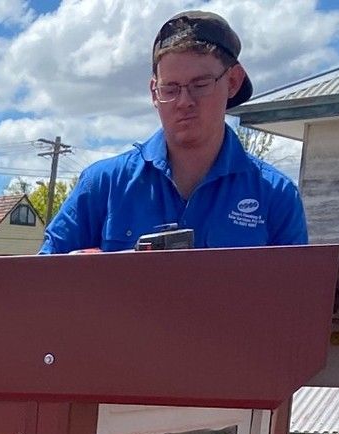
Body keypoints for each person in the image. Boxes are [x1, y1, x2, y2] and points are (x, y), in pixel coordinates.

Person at [40, 11, 307, 253]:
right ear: (153, 93)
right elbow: (39, 279)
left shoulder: (276, 195)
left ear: (233, 82)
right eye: (170, 89)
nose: (184, 102)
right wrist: (78, 272)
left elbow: (296, 300)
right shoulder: (103, 184)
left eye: (200, 84)